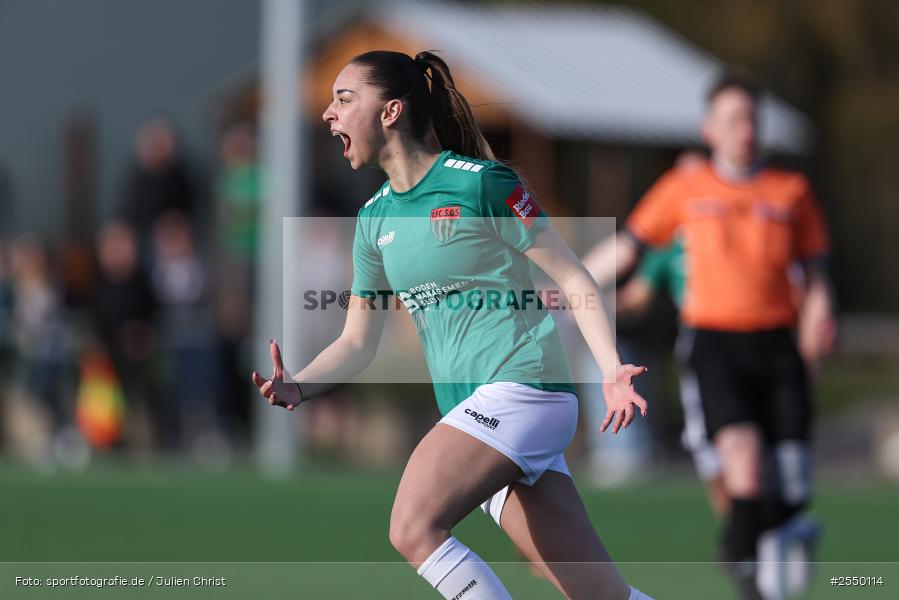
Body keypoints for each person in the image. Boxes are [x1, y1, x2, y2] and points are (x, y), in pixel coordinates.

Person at [252, 50, 653, 600]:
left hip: (522, 393)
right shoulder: (373, 220)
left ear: (391, 111)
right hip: (482, 411)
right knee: (601, 594)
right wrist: (300, 383)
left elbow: (574, 277)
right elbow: (357, 341)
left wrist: (609, 370)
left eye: (344, 99)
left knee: (412, 526)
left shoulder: (480, 184)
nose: (329, 113)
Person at [583, 72, 836, 599]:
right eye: (732, 120)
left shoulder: (791, 191)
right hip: (715, 344)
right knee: (738, 459)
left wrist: (820, 315)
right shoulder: (684, 189)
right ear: (710, 129)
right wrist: (570, 282)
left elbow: (815, 277)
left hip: (778, 345)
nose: (744, 130)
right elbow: (628, 248)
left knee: (791, 484)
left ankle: (769, 538)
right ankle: (754, 570)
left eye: (750, 120)